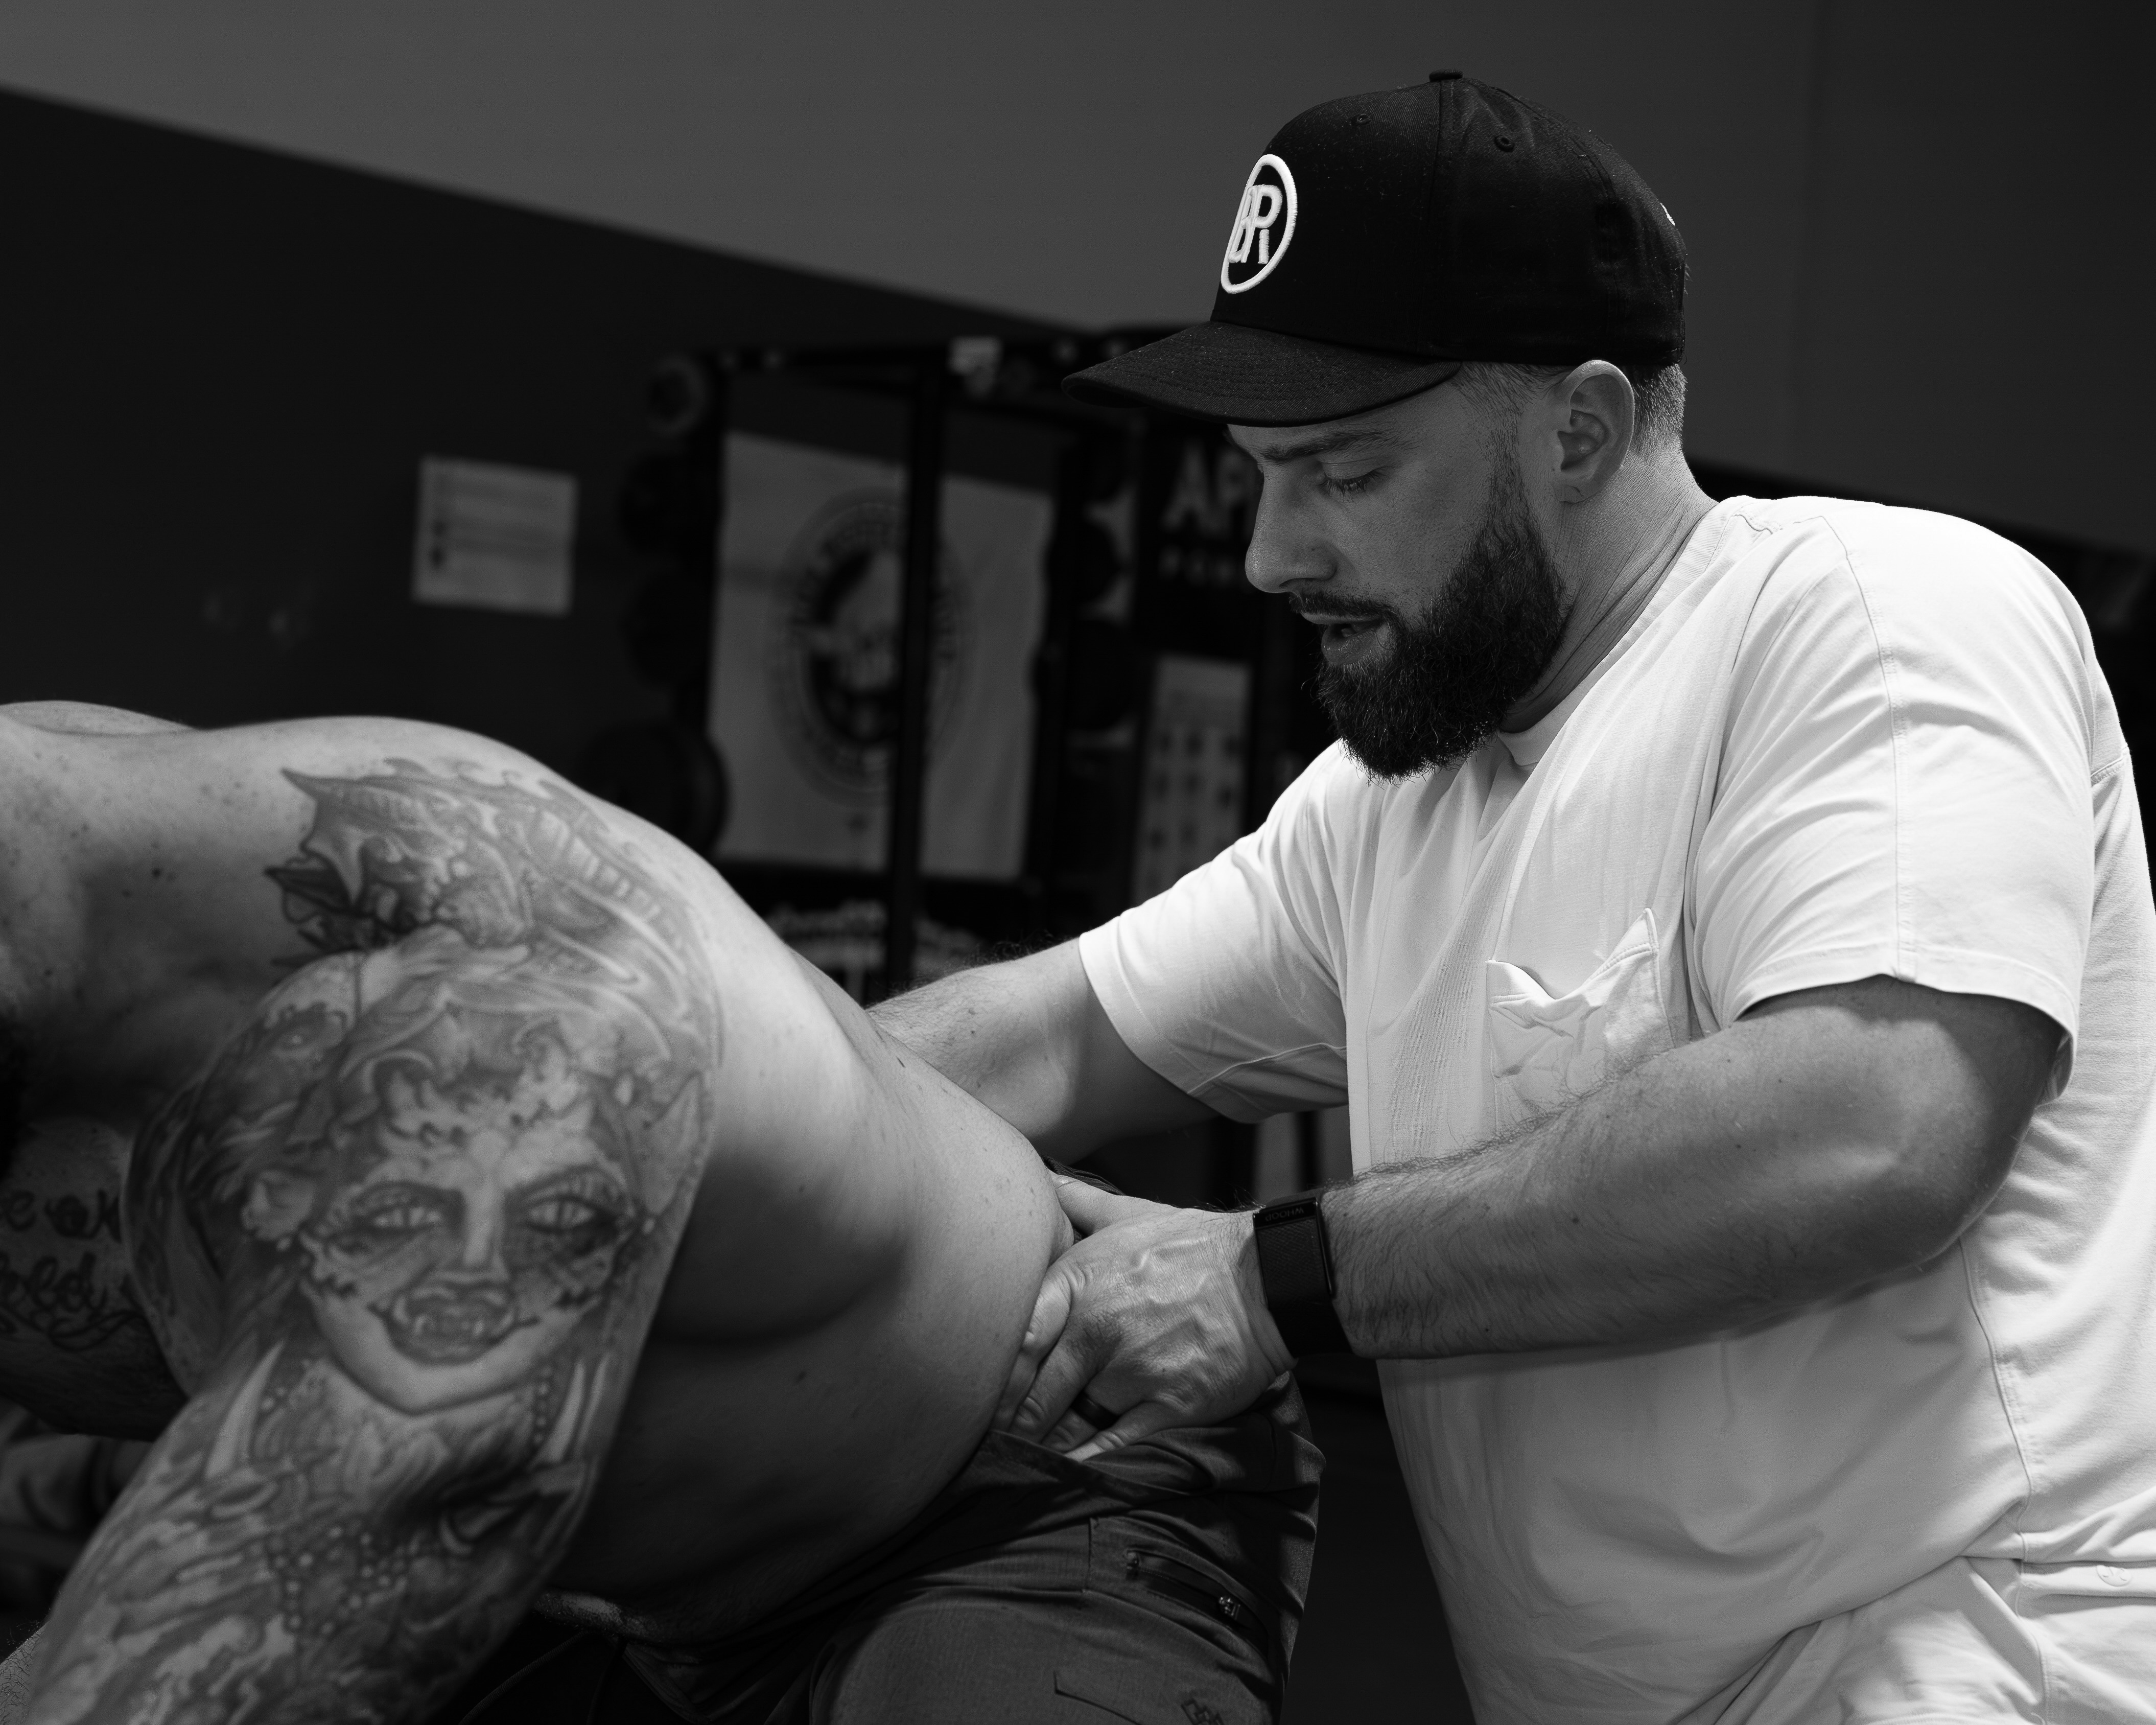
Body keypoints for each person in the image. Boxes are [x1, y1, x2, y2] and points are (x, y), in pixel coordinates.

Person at [871, 73, 2156, 1723]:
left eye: (1338, 472)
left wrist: (1266, 1280)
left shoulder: (1872, 614)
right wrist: (683, 1098)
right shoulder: (1390, 799)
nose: (1270, 553)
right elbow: (1046, 1034)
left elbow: (1871, 1129)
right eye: (1261, 472)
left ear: (1580, 428)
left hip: (1955, 1664)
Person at [0, 701, 1317, 1724]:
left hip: (1013, 1486)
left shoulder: (464, 1061)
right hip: (603, 1573)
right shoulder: (56, 847)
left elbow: (205, 1660)